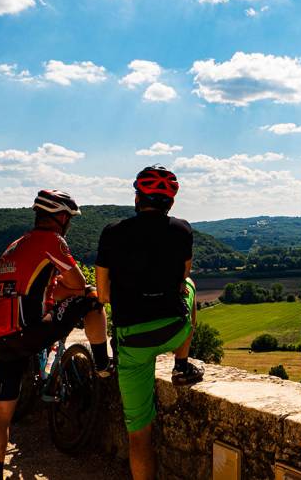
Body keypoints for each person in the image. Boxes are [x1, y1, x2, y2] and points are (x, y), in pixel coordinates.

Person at [0, 190, 110, 480]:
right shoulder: (52, 240)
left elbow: (32, 288)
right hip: (26, 331)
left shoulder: (15, 245)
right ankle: (102, 365)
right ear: (62, 217)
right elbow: (77, 283)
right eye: (69, 219)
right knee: (91, 298)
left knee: (1, 413)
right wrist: (77, 290)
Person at [95, 165, 203, 480]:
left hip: (132, 341)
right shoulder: (182, 230)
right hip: (173, 329)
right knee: (193, 287)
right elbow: (183, 276)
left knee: (138, 435)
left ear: (137, 197)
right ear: (170, 203)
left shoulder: (112, 232)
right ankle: (182, 364)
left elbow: (102, 294)